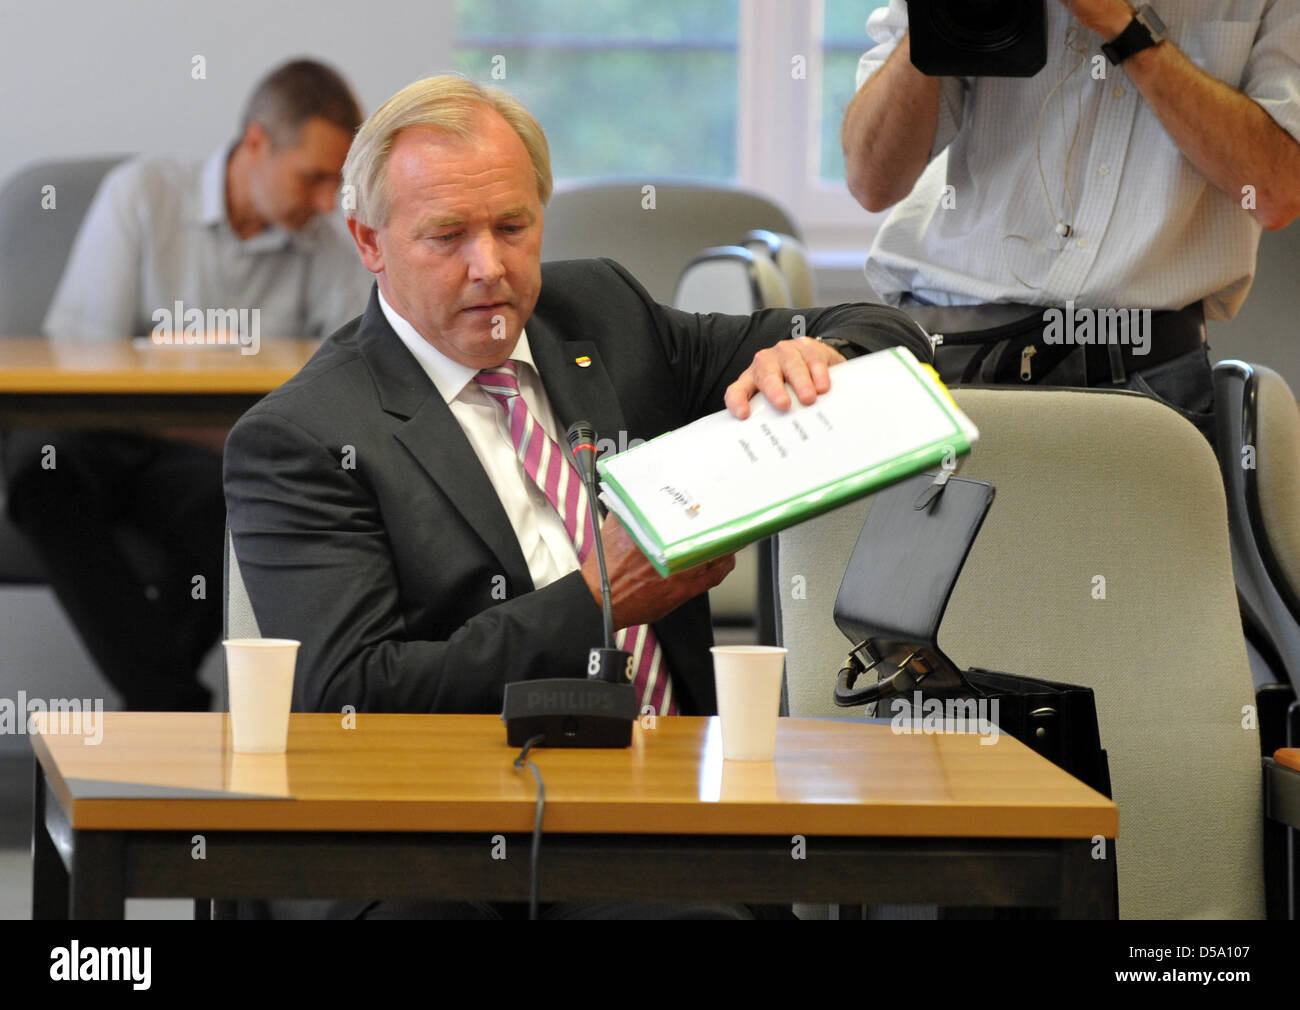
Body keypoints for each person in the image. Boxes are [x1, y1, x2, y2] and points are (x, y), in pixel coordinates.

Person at [222, 75, 932, 919]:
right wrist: (596, 597)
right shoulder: (304, 434)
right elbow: (352, 696)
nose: (489, 267)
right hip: (454, 843)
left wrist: (828, 355)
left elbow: (883, 326)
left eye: (513, 227)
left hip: (674, 804)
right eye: (446, 236)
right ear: (368, 242)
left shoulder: (597, 311)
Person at [1, 59, 372, 711]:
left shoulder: (329, 250)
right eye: (312, 178)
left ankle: (159, 716)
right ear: (256, 143)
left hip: (210, 454)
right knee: (42, 473)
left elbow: (344, 388)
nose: (324, 203)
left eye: (335, 184)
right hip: (103, 435)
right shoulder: (143, 195)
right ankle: (172, 711)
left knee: (234, 520)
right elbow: (79, 360)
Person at [842, 0, 1300, 441]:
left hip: (1146, 377)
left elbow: (1278, 192)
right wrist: (937, 16)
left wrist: (1127, 29)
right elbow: (871, 181)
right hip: (943, 354)